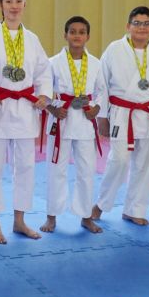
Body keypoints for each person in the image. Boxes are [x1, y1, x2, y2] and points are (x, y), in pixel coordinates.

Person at [0, 0, 52, 243]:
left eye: (19, 1)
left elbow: (43, 71)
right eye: (9, 1)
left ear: (24, 5)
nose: (14, 6)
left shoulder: (32, 40)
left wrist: (44, 94)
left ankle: (19, 220)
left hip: (24, 109)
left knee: (26, 166)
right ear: (0, 5)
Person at [93, 6, 149, 226]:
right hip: (123, 113)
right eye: (137, 23)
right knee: (119, 160)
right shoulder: (114, 49)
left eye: (146, 23)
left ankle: (134, 209)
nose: (142, 28)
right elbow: (101, 84)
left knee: (145, 164)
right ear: (128, 26)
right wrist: (101, 116)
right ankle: (102, 204)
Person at [40, 16, 105, 234]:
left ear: (88, 36)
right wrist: (52, 109)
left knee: (86, 171)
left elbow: (102, 91)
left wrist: (96, 109)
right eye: (73, 31)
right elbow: (43, 92)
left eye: (81, 32)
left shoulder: (96, 63)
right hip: (61, 119)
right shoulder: (52, 63)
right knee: (55, 169)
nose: (77, 36)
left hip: (85, 121)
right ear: (65, 35)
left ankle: (86, 216)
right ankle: (52, 216)